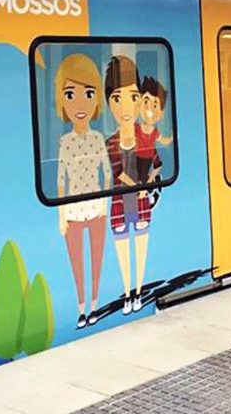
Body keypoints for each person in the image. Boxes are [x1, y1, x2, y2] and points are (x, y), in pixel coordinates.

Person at [55, 54, 111, 329]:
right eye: (70, 94)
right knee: (77, 262)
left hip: (96, 206)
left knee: (96, 259)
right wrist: (61, 216)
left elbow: (107, 172)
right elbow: (60, 180)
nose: (79, 104)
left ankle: (94, 305)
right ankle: (80, 308)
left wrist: (105, 204)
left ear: (97, 99)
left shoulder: (98, 138)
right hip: (74, 209)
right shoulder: (64, 142)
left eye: (88, 94)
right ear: (62, 101)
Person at [104, 55, 150, 315]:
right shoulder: (111, 142)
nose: (125, 106)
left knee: (140, 249)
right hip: (121, 202)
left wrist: (149, 182)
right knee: (124, 251)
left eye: (132, 97)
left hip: (140, 203)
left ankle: (138, 292)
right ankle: (127, 294)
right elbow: (117, 172)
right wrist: (139, 184)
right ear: (110, 104)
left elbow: (154, 162)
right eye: (117, 99)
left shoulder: (145, 137)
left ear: (140, 100)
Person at [136, 76, 173, 184]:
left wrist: (172, 137)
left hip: (149, 157)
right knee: (138, 176)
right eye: (146, 102)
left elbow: (163, 141)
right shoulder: (136, 128)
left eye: (155, 104)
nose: (149, 109)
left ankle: (148, 183)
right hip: (137, 156)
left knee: (145, 175)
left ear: (161, 113)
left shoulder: (155, 131)